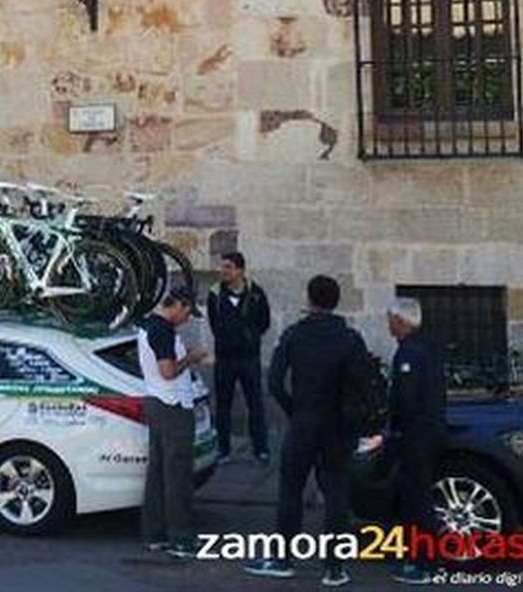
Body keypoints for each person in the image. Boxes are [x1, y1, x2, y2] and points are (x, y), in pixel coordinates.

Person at [246, 275, 370, 587]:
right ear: (335, 301)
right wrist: (352, 426)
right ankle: (334, 566)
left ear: (310, 299)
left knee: (291, 490)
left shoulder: (294, 335)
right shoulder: (350, 339)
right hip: (336, 426)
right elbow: (360, 388)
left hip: (304, 421)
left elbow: (274, 382)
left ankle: (283, 557)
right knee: (336, 494)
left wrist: (294, 409)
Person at [139, 286, 209, 559]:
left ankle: (154, 533)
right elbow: (167, 371)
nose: (187, 318)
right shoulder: (162, 330)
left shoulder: (149, 326)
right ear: (178, 305)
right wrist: (191, 358)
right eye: (187, 312)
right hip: (172, 406)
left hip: (157, 402)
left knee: (157, 474)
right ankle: (181, 537)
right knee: (177, 474)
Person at [385, 297, 446, 585]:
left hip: (416, 435)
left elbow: (405, 399)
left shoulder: (409, 353)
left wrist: (393, 428)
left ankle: (426, 562)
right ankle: (418, 555)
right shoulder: (429, 347)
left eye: (391, 320)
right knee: (417, 497)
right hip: (428, 431)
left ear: (401, 321)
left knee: (418, 499)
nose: (388, 325)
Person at [206, 251, 272, 463]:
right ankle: (223, 450)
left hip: (249, 358)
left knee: (255, 403)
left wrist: (250, 337)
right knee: (223, 405)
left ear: (240, 270)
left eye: (228, 267)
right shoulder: (215, 294)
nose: (224, 271)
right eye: (223, 267)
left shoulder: (256, 294)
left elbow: (264, 321)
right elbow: (214, 323)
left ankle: (261, 449)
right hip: (225, 358)